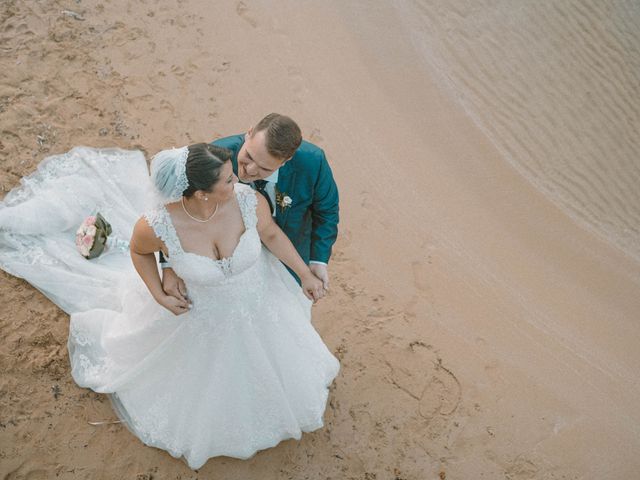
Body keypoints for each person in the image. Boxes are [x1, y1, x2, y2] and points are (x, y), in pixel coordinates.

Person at [0, 143, 340, 469]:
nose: (237, 180)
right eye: (228, 179)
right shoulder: (158, 224)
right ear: (202, 193)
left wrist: (305, 274)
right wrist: (158, 291)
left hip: (258, 308)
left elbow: (271, 236)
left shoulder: (250, 202)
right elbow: (138, 251)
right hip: (199, 320)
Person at [162, 113, 339, 305]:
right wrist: (170, 266)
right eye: (248, 157)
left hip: (290, 250)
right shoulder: (217, 157)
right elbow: (175, 211)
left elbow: (327, 212)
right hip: (230, 257)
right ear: (249, 133)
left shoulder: (313, 162)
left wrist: (317, 261)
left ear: (285, 161)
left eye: (265, 168)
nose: (250, 170)